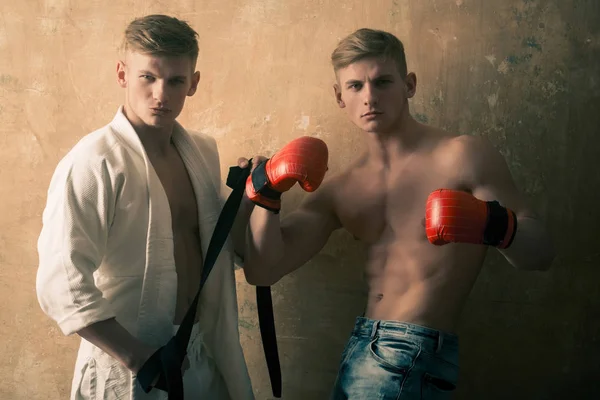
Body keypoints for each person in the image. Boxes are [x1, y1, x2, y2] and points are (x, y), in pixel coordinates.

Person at [240, 28, 555, 399]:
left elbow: (541, 253)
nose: (369, 97)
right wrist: (265, 193)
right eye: (355, 86)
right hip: (359, 348)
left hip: (415, 352)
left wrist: (494, 224)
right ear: (339, 97)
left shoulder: (462, 155)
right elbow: (263, 269)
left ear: (409, 84)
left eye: (382, 82)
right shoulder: (344, 189)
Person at [36, 14, 255, 400]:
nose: (161, 94)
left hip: (200, 355)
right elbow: (62, 283)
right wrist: (139, 358)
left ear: (194, 83)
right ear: (122, 74)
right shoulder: (94, 161)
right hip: (128, 368)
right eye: (147, 77)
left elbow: (219, 252)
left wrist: (253, 194)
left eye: (176, 81)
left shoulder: (202, 153)